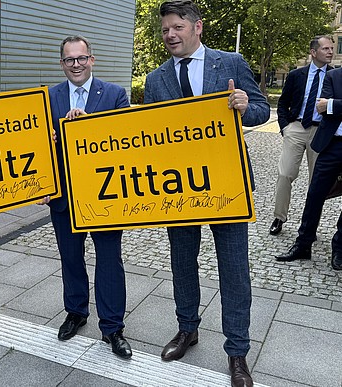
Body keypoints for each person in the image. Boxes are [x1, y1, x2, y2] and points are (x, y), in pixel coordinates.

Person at [143, 1, 269, 386]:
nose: (170, 35)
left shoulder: (229, 63)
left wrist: (245, 106)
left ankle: (237, 353)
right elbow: (150, 135)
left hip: (227, 185)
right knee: (183, 263)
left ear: (197, 27)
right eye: (165, 29)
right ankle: (187, 329)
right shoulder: (155, 79)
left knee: (234, 271)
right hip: (178, 189)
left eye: (177, 27)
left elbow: (262, 110)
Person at [39, 35, 132, 359]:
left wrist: (88, 127)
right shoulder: (47, 97)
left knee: (109, 260)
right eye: (69, 60)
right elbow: (36, 148)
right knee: (70, 258)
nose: (76, 65)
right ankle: (76, 312)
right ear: (62, 63)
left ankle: (113, 327)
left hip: (103, 194)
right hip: (63, 194)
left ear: (92, 59)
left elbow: (126, 140)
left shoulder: (115, 94)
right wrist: (49, 143)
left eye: (81, 58)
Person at [276, 66, 342, 270]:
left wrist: (332, 104)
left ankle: (339, 247)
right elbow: (321, 107)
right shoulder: (334, 76)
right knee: (315, 194)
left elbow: (327, 105)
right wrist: (329, 105)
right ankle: (304, 243)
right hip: (332, 143)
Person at [269, 36, 334, 236]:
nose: (330, 52)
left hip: (321, 132)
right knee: (285, 174)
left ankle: (309, 227)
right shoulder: (297, 75)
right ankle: (279, 218)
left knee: (317, 181)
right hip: (296, 128)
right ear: (313, 52)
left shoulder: (336, 76)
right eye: (325, 48)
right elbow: (282, 103)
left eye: (332, 48)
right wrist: (284, 127)